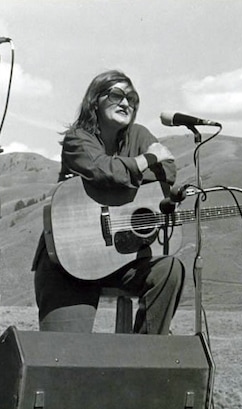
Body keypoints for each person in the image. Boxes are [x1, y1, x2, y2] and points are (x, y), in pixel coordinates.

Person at [32, 70, 185, 334]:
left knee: (169, 268)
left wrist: (114, 175)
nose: (126, 103)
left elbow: (167, 173)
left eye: (132, 98)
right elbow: (104, 170)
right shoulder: (77, 138)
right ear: (95, 100)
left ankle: (144, 357)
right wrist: (145, 161)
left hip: (122, 257)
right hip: (71, 259)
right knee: (63, 356)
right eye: (117, 95)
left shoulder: (139, 135)